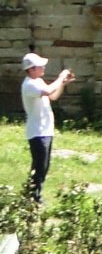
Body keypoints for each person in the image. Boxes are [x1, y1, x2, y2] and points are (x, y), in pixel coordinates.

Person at [20, 52, 72, 205]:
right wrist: (60, 78)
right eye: (40, 66)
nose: (43, 68)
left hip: (45, 130)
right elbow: (49, 91)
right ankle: (33, 198)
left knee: (44, 165)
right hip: (37, 132)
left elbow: (52, 96)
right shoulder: (29, 84)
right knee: (39, 166)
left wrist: (62, 84)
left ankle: (33, 196)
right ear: (31, 69)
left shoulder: (38, 81)